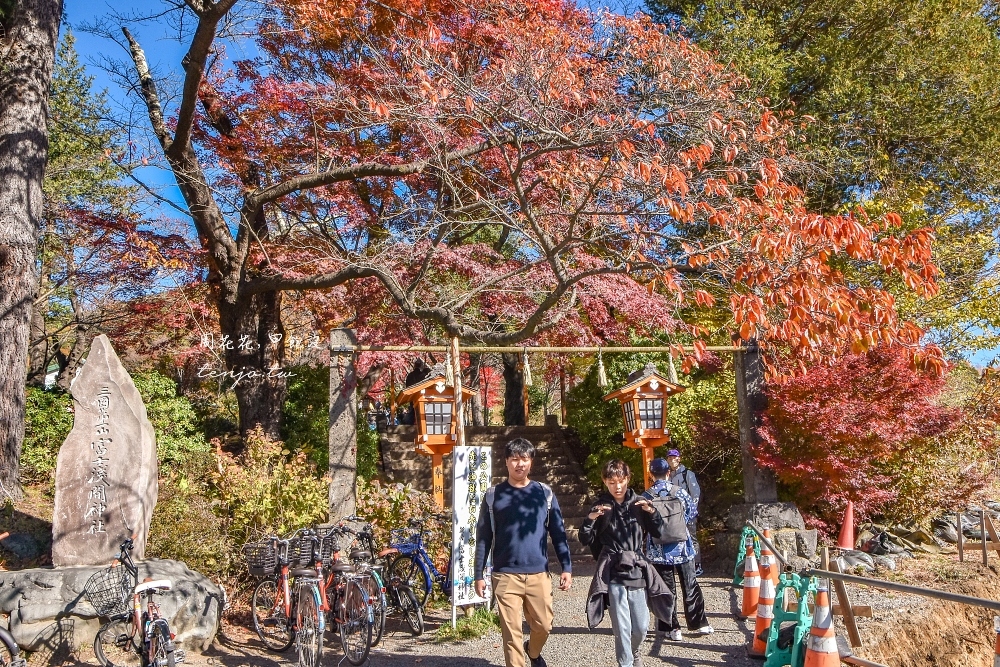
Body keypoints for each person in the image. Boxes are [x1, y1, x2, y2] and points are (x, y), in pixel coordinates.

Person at [474, 438, 572, 667]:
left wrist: (566, 567)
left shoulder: (544, 493)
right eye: (515, 459)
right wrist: (479, 573)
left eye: (524, 459)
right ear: (506, 462)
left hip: (539, 573)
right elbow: (484, 538)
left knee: (544, 625)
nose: (520, 464)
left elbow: (558, 532)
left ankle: (533, 651)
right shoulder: (493, 496)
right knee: (511, 634)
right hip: (505, 574)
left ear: (531, 462)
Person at [580, 460, 674, 667]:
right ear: (605, 481)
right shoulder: (601, 506)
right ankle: (627, 663)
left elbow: (659, 532)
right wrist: (590, 519)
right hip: (613, 569)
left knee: (641, 626)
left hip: (637, 568)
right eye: (612, 482)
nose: (617, 486)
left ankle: (634, 651)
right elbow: (584, 539)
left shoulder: (639, 503)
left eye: (621, 481)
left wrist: (652, 513)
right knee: (622, 625)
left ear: (628, 479)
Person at [643, 457, 713, 641]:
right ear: (668, 472)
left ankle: (672, 628)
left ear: (651, 474)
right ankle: (699, 624)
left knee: (666, 590)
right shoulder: (680, 492)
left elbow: (643, 522)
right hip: (682, 546)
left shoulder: (647, 495)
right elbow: (691, 514)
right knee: (690, 585)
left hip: (659, 550)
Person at [666, 448, 703, 575]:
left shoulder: (687, 474)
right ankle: (681, 564)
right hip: (674, 513)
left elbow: (695, 493)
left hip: (688, 512)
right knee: (676, 538)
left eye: (674, 458)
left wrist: (692, 510)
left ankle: (697, 564)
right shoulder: (667, 475)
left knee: (692, 538)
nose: (672, 460)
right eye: (669, 458)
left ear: (679, 458)